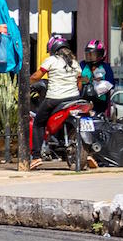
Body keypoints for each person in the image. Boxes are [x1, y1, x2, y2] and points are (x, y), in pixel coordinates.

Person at [29, 35, 83, 169]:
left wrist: (26, 82)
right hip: (74, 98)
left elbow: (37, 76)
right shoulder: (74, 63)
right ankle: (88, 154)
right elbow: (79, 82)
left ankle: (36, 157)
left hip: (54, 98)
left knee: (38, 123)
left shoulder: (51, 60)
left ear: (53, 49)